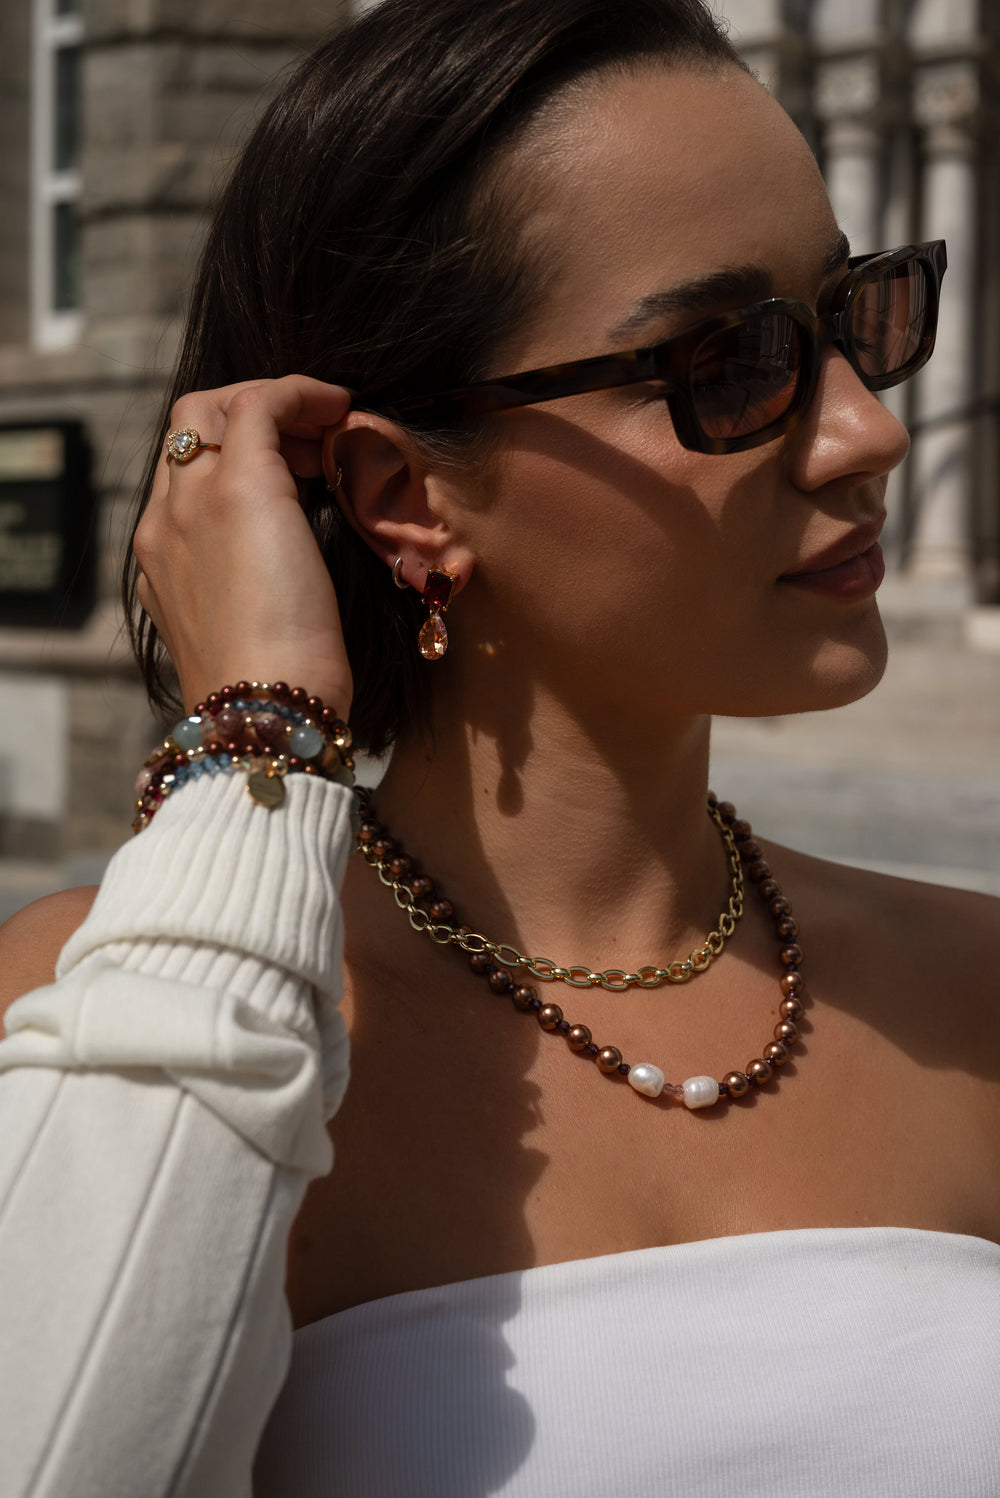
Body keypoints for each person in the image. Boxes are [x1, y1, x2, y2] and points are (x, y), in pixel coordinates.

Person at [1, 0, 998, 1493]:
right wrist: (253, 738)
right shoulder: (110, 1016)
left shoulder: (970, 992)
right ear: (406, 494)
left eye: (858, 316)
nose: (868, 432)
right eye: (728, 361)